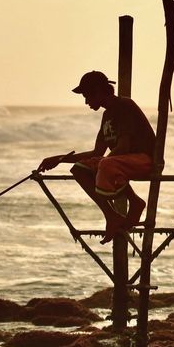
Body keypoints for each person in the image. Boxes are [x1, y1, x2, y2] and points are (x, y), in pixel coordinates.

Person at [38, 70, 155, 243]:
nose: (86, 101)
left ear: (99, 91)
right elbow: (96, 153)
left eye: (87, 96)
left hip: (144, 160)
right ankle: (111, 215)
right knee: (79, 170)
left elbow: (124, 147)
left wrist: (102, 163)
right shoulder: (107, 115)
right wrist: (59, 159)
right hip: (121, 162)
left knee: (106, 164)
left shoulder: (124, 106)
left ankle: (135, 202)